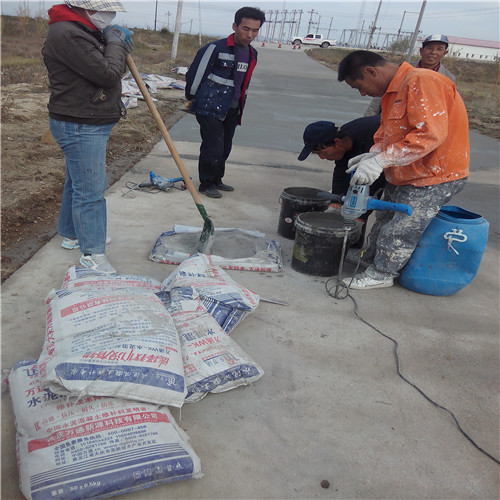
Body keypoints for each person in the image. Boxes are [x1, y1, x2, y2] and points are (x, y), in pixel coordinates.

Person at [337, 50, 469, 289]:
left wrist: (380, 162)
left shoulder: (422, 81)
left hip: (433, 174)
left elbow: (430, 134)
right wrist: (374, 154)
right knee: (384, 218)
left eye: (359, 87)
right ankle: (370, 258)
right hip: (406, 169)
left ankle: (382, 273)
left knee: (401, 227)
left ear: (371, 71)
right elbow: (388, 134)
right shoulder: (392, 92)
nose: (363, 93)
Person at [43, 0, 133, 274]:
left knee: (77, 181)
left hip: (86, 117)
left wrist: (114, 44)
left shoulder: (83, 30)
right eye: (105, 10)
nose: (110, 15)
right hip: (80, 123)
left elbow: (111, 70)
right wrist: (115, 42)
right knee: (90, 191)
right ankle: (92, 254)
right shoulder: (68, 34)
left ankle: (72, 234)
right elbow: (108, 74)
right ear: (86, 8)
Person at [185, 7, 266, 198]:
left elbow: (244, 82)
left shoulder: (253, 53)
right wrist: (192, 97)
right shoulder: (215, 48)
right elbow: (196, 74)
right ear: (234, 26)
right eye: (246, 28)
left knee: (225, 146)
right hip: (209, 106)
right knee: (212, 145)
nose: (250, 35)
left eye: (255, 30)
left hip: (233, 107)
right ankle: (206, 183)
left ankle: (216, 179)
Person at [297, 117, 385, 248]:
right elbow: (341, 172)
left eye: (323, 152)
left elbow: (377, 183)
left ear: (337, 142)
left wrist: (359, 217)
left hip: (402, 158)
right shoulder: (344, 140)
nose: (322, 157)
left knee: (388, 216)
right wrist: (335, 204)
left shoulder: (369, 137)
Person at [364, 34, 455, 117]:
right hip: (392, 119)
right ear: (421, 51)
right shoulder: (402, 70)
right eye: (430, 48)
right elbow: (381, 97)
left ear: (444, 53)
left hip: (422, 123)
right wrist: (368, 119)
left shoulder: (448, 79)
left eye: (439, 49)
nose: (433, 52)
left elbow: (447, 108)